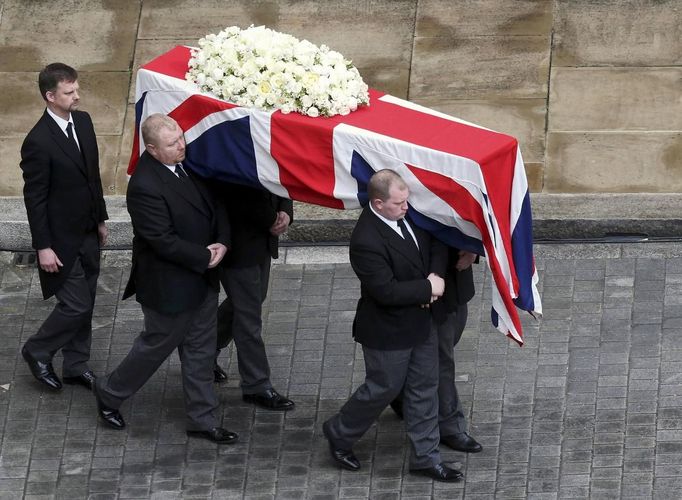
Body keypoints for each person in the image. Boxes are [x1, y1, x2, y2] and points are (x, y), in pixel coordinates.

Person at [93, 114, 237, 444]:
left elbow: (216, 205)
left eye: (181, 138)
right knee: (156, 346)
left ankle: (202, 419)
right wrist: (206, 256)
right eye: (173, 144)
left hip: (202, 278)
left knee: (201, 349)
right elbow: (161, 239)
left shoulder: (188, 164)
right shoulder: (145, 187)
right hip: (170, 285)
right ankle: (110, 391)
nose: (182, 146)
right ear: (153, 149)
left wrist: (223, 242)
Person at [322, 169, 462, 482]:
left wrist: (435, 278)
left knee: (424, 387)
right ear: (379, 203)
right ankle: (339, 432)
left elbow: (436, 242)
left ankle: (426, 457)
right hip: (388, 330)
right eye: (399, 203)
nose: (406, 207)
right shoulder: (366, 239)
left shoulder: (410, 214)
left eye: (406, 200)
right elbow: (383, 290)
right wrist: (427, 289)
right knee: (383, 388)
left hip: (421, 321)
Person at [19, 63, 108, 392]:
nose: (77, 96)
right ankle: (38, 349)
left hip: (87, 231)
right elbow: (35, 200)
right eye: (70, 92)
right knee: (76, 304)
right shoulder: (38, 142)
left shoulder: (83, 122)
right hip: (60, 241)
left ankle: (76, 364)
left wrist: (100, 218)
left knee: (89, 298)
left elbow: (92, 176)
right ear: (50, 96)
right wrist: (43, 246)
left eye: (76, 89)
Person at [211, 181, 295, 411]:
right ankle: (256, 384)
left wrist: (286, 211)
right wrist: (271, 220)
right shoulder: (231, 149)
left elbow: (278, 174)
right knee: (248, 316)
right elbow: (238, 194)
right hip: (238, 244)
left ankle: (203, 349)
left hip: (261, 242)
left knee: (250, 301)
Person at [390, 247, 483, 453]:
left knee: (450, 339)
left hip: (454, 275)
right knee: (441, 357)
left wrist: (471, 246)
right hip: (423, 279)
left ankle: (399, 392)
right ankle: (449, 424)